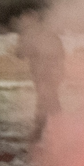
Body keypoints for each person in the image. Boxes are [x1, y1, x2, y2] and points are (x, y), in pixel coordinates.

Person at [13, 12, 65, 141]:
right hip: (55, 73)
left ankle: (40, 132)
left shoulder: (30, 36)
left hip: (43, 74)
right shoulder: (49, 34)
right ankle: (59, 129)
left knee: (44, 100)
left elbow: (20, 54)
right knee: (51, 99)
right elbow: (61, 53)